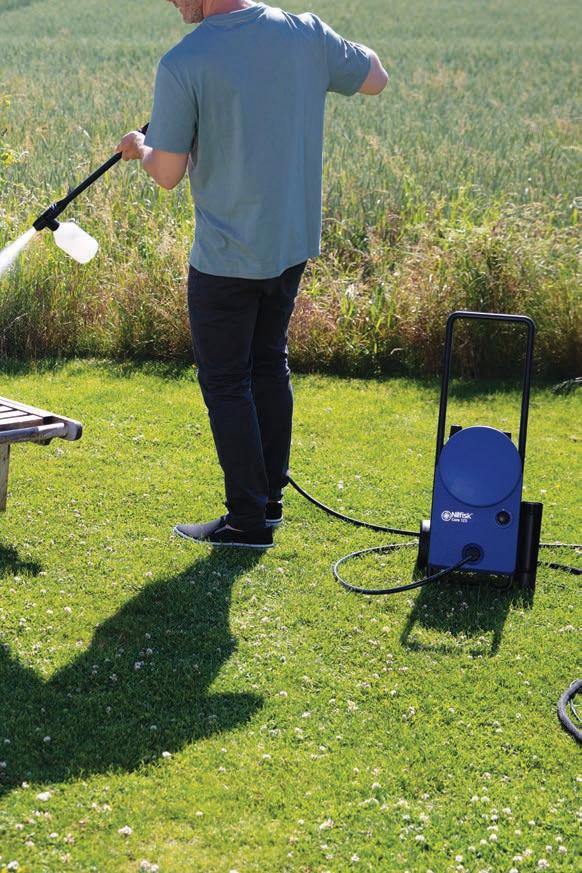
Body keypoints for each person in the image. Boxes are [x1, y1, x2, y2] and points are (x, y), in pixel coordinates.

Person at [116, 0, 388, 549]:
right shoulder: (305, 33)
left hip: (226, 257)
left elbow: (166, 173)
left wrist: (140, 147)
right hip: (289, 247)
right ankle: (269, 501)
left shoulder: (184, 62)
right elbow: (376, 78)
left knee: (226, 382)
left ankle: (246, 521)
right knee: (269, 364)